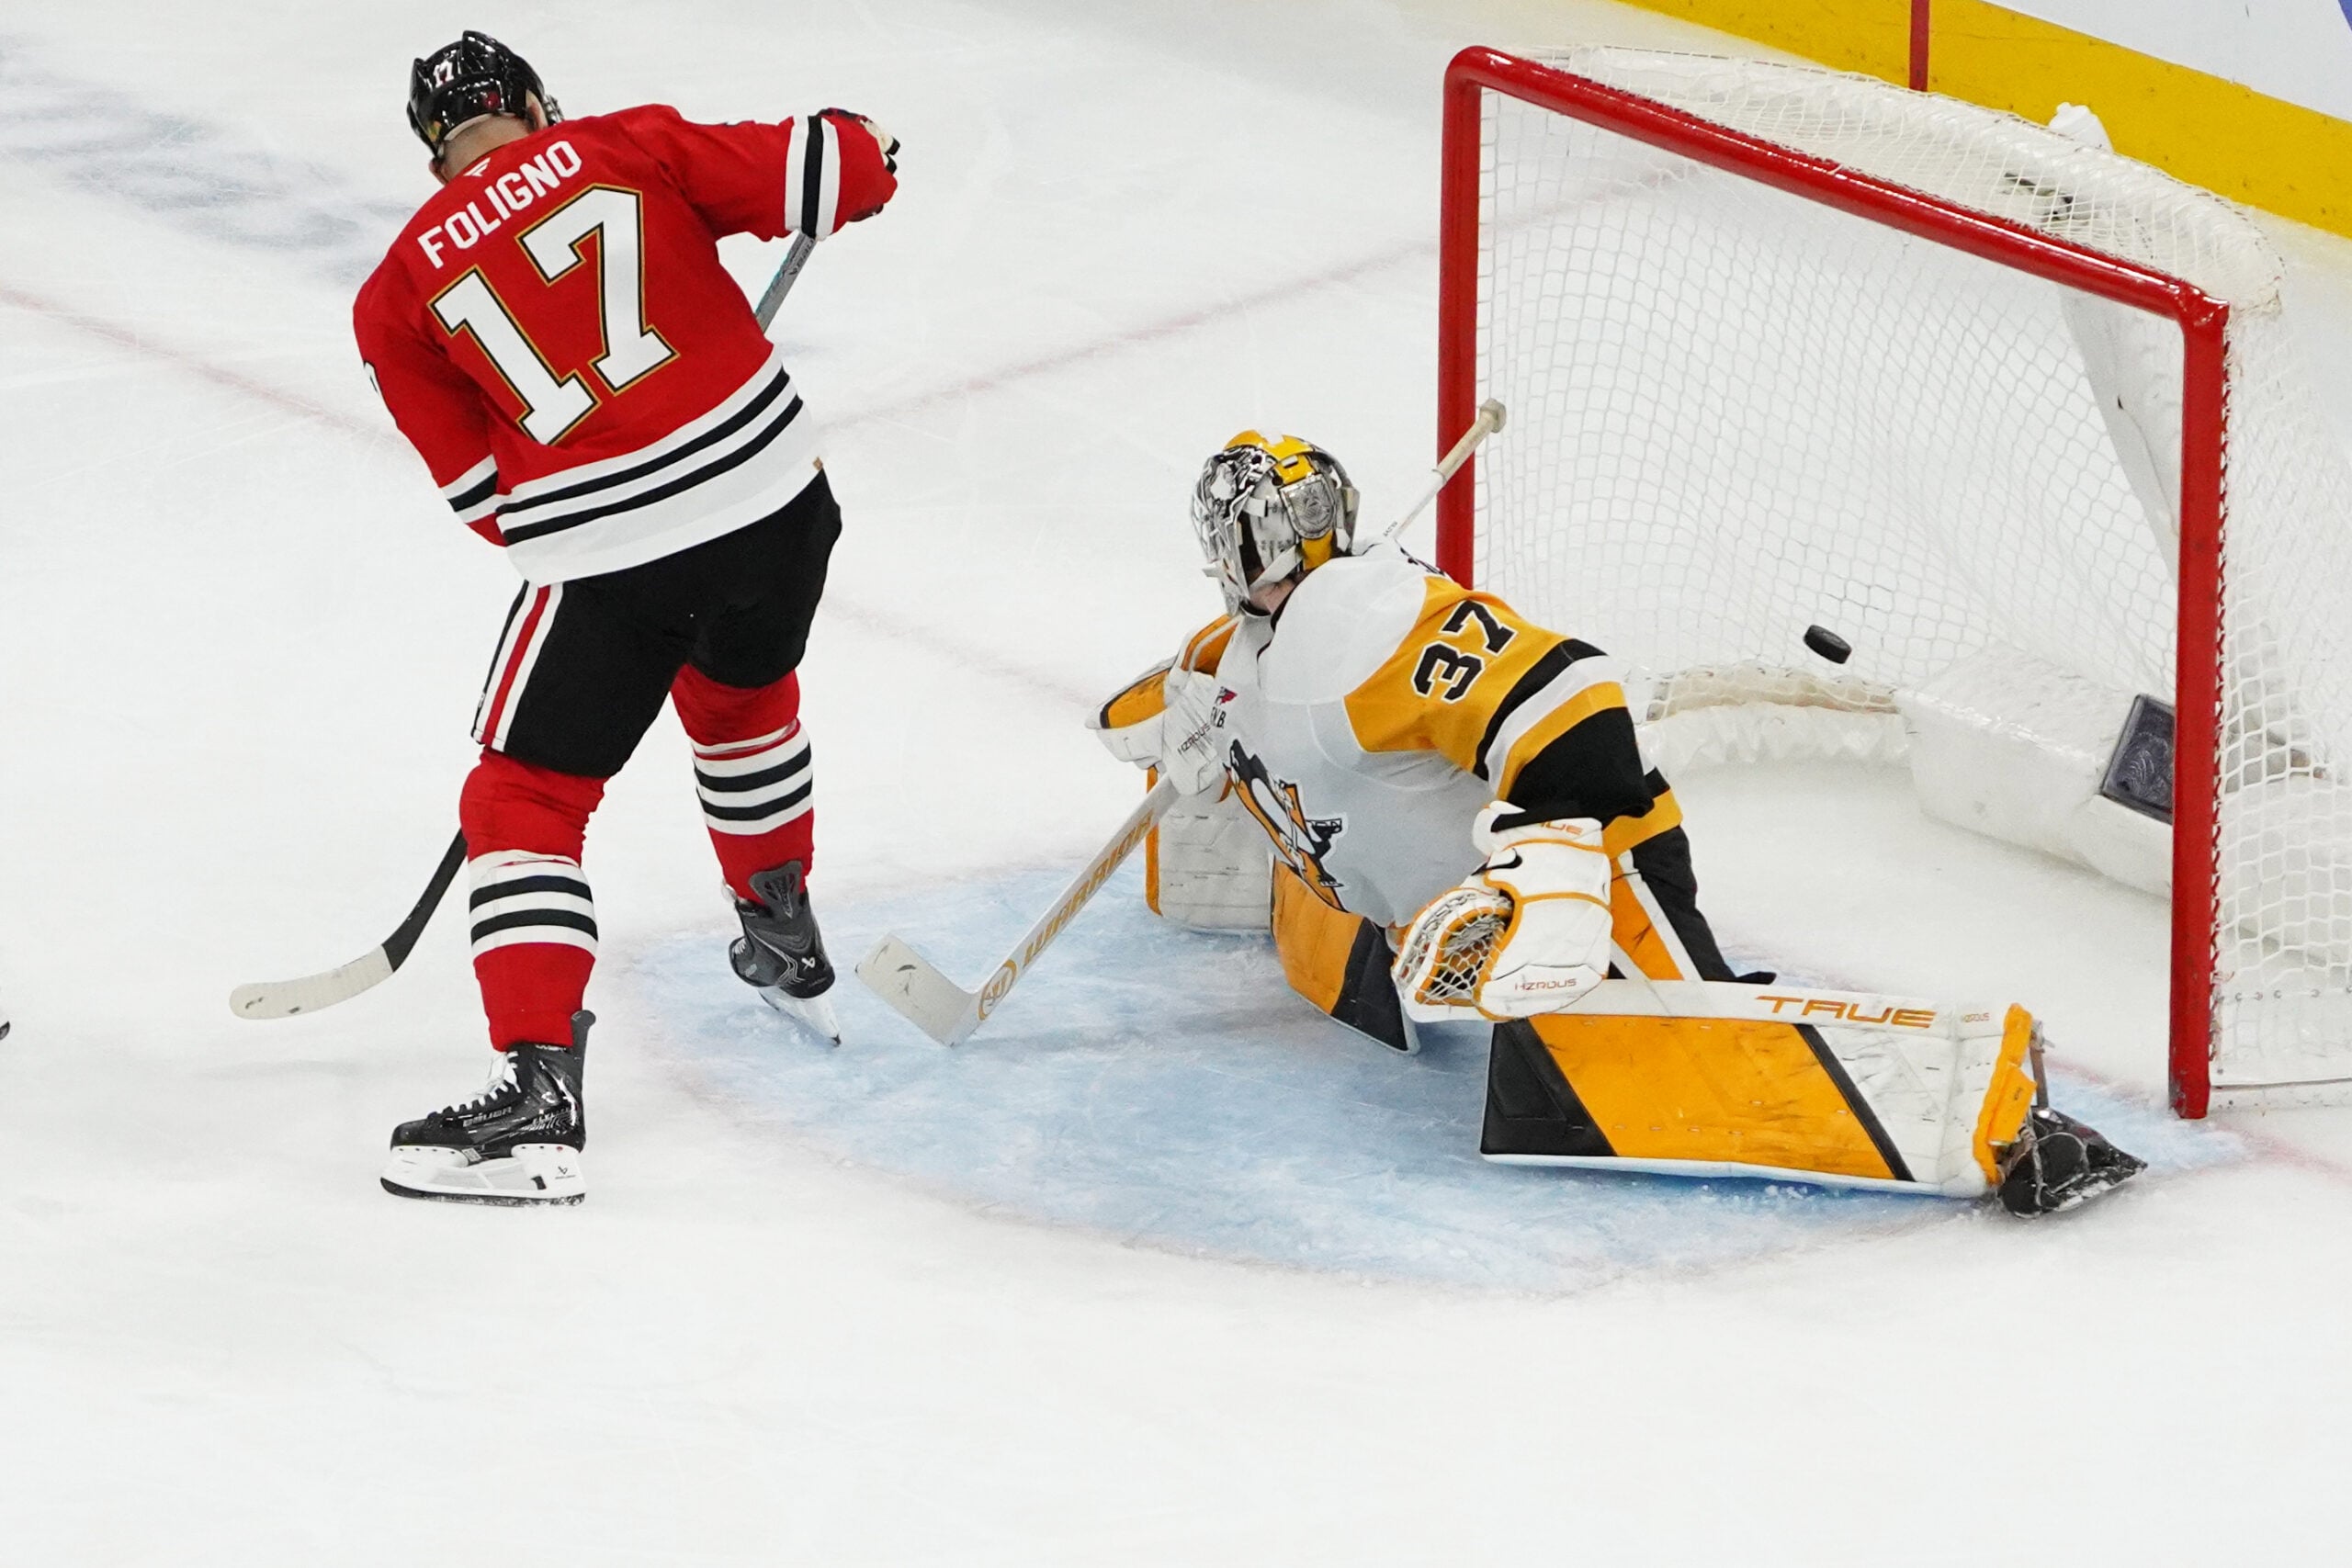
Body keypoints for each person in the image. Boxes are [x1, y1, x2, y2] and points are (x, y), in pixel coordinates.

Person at [1091, 432, 2145, 1214]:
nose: (1260, 551)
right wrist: (1183, 711)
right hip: (1411, 911)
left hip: (1598, 863)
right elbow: (1134, 711)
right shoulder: (1236, 655)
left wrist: (1551, 864)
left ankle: (2005, 1121)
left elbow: (1573, 698)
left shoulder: (1369, 623)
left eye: (1272, 527)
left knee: (1690, 1047)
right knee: (1616, 1044)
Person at [352, 32, 900, 1204]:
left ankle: (537, 1100)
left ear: (434, 153)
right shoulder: (624, 145)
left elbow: (483, 499)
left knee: (523, 800)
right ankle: (782, 932)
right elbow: (845, 173)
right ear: (536, 102)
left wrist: (598, 525)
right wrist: (862, 140)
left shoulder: (395, 293)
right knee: (742, 698)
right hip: (781, 507)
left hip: (616, 559)